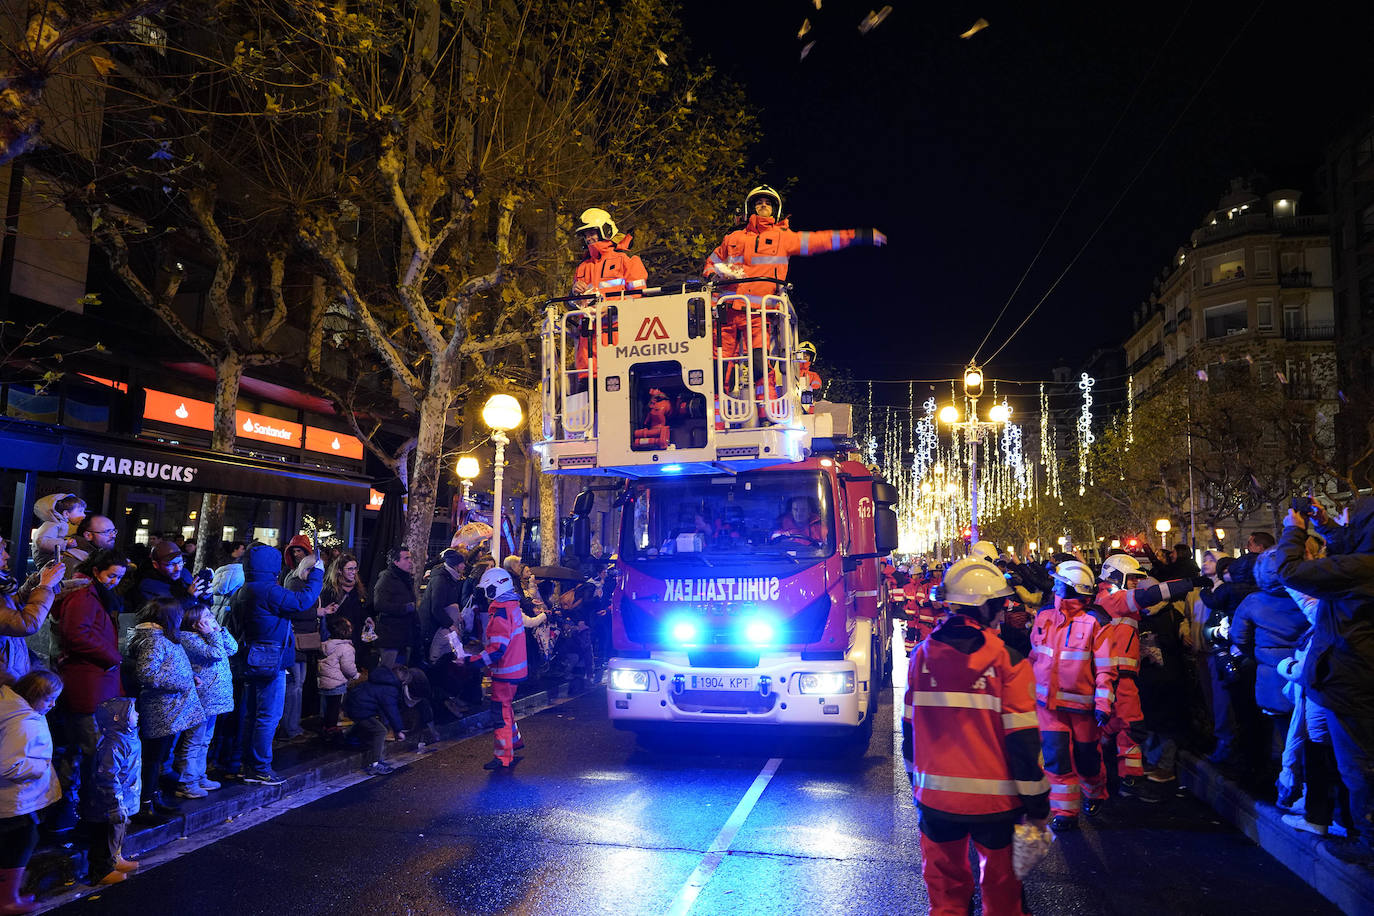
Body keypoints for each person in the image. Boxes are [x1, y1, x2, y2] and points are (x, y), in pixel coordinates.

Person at [904, 558, 1049, 916]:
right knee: (1002, 900)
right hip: (996, 806)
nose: (1002, 613)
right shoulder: (1007, 661)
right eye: (999, 605)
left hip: (935, 800)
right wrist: (1037, 806)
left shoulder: (920, 656)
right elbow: (1023, 743)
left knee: (946, 900)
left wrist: (918, 787)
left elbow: (909, 734)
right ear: (984, 607)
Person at [703, 185, 886, 398]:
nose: (763, 205)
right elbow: (712, 262)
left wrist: (858, 236)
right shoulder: (732, 238)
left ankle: (763, 408)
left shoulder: (783, 237)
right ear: (750, 208)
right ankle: (716, 411)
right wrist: (713, 274)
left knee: (759, 366)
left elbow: (821, 240)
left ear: (775, 209)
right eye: (758, 202)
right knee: (717, 369)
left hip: (759, 315)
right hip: (726, 313)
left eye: (768, 203)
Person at [1273, 497, 1374, 863]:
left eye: (1351, 519)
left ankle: (1368, 843)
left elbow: (1289, 570)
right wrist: (1325, 523)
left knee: (1358, 767)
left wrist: (1294, 531)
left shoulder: (1361, 569)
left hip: (1351, 680)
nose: (1345, 523)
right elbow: (1352, 545)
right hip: (1354, 676)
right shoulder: (1364, 562)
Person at [1093, 553, 1198, 802]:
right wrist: (1190, 583)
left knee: (1112, 726)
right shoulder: (1114, 598)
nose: (1136, 583)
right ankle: (1130, 781)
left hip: (1117, 676)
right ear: (1116, 577)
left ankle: (1099, 769)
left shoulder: (1106, 599)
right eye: (1132, 578)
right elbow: (1149, 595)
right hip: (1121, 677)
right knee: (1132, 728)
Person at [1030, 559, 1117, 830]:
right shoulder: (1045, 616)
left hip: (1083, 709)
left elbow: (1105, 668)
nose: (1053, 588)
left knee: (1087, 759)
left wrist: (1103, 703)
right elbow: (1034, 657)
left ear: (1072, 588)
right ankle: (1065, 812)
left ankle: (1095, 792)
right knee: (1056, 760)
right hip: (1048, 707)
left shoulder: (1096, 622)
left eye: (1058, 584)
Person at [230, 542, 325, 787]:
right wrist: (317, 573)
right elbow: (303, 601)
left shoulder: (242, 591)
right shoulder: (269, 590)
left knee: (251, 715)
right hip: (270, 659)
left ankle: (247, 765)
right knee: (269, 715)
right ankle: (261, 768)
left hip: (250, 657)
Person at [51, 549, 127, 833]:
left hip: (96, 681)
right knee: (89, 750)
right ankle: (77, 813)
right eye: (112, 575)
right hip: (88, 683)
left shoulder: (95, 595)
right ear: (96, 571)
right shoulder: (84, 597)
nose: (115, 582)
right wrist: (112, 657)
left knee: (84, 749)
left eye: (119, 577)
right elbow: (76, 635)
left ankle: (73, 811)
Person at [128, 596, 203, 824]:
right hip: (161, 709)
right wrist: (182, 681)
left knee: (158, 758)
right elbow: (146, 674)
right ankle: (145, 805)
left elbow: (168, 668)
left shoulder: (162, 637)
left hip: (170, 709)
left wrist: (190, 676)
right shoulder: (154, 640)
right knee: (152, 759)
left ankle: (153, 797)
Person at [0, 670, 63, 912]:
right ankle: (7, 900)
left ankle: (9, 895)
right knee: (22, 841)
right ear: (34, 694)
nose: (53, 705)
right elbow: (8, 765)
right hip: (14, 796)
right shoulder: (23, 722)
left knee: (19, 840)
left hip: (13, 795)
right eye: (49, 699)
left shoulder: (17, 710)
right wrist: (40, 767)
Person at [456, 567, 528, 770]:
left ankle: (503, 756)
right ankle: (513, 743)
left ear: (495, 588)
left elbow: (496, 650)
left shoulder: (501, 612)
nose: (485, 594)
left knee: (500, 713)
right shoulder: (512, 606)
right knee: (506, 709)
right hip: (514, 670)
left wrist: (470, 661)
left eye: (487, 589)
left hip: (505, 672)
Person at [569, 206, 648, 387]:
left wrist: (613, 309)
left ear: (605, 230)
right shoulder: (582, 267)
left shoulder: (626, 260)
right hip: (587, 349)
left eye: (592, 233)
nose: (589, 238)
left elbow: (638, 298)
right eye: (586, 235)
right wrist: (574, 293)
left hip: (620, 343)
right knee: (588, 396)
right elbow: (572, 305)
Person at [173, 603, 236, 799]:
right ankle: (187, 782)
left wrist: (219, 631)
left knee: (205, 740)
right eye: (207, 616)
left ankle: (199, 776)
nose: (212, 617)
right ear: (195, 624)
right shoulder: (188, 638)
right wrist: (212, 635)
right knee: (194, 740)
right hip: (202, 697)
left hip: (214, 698)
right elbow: (215, 654)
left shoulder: (210, 635)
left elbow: (232, 648)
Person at [88, 696, 141, 887]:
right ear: (118, 718)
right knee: (106, 834)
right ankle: (101, 871)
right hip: (111, 800)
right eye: (133, 712)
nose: (137, 714)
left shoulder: (127, 736)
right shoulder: (113, 744)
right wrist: (114, 802)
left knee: (118, 830)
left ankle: (115, 859)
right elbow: (108, 775)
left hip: (124, 796)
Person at [0, 539, 63, 684]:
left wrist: (37, 581)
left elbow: (12, 609)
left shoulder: (3, 586)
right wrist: (45, 586)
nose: (7, 556)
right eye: (1, 552)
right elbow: (27, 624)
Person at [342, 666, 404, 776]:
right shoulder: (389, 689)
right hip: (359, 709)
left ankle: (349, 736)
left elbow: (383, 708)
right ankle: (375, 764)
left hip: (352, 705)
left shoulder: (379, 680)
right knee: (380, 731)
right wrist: (398, 730)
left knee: (370, 723)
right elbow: (391, 710)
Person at [322, 552, 371, 671]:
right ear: (339, 570)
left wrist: (367, 618)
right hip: (338, 638)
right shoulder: (330, 590)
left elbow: (361, 610)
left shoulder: (358, 589)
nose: (353, 572)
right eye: (349, 569)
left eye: (355, 568)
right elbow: (327, 616)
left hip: (356, 638)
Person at [373, 547, 418, 668]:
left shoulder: (405, 578)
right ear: (396, 561)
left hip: (403, 636)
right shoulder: (387, 578)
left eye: (410, 558)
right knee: (388, 670)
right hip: (390, 637)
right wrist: (404, 608)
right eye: (406, 558)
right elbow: (379, 604)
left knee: (401, 672)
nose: (410, 561)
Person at [317, 616, 357, 737]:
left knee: (326, 706)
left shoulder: (326, 645)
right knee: (334, 706)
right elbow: (347, 667)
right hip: (337, 682)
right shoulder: (346, 648)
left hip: (324, 681)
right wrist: (355, 675)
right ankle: (331, 729)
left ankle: (325, 726)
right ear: (344, 631)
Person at [30, 493, 86, 569]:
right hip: (47, 561)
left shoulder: (60, 523)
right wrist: (65, 543)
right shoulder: (51, 524)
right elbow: (41, 542)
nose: (84, 515)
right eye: (80, 511)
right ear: (66, 513)